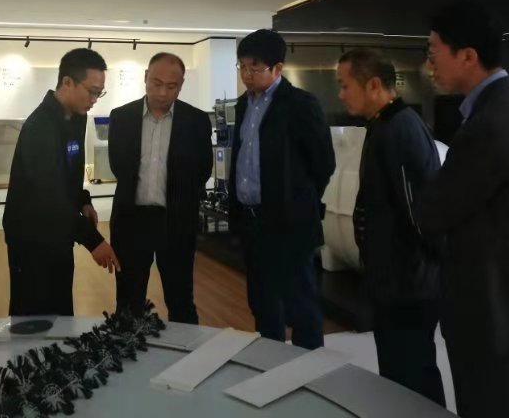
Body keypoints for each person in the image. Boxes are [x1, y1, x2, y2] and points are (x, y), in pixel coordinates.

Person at [417, 1, 509, 418]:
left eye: (434, 52)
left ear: (467, 55)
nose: (429, 64)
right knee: (508, 404)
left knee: (490, 407)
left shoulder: (491, 121)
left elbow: (434, 211)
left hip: (489, 306)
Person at [336, 48, 445, 406]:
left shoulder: (400, 128)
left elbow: (422, 214)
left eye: (345, 85)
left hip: (408, 287)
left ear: (373, 85)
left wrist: (421, 272)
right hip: (391, 283)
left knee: (413, 377)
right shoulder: (383, 124)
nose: (341, 94)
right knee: (399, 377)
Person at [228, 29, 335, 349]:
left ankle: (307, 366)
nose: (247, 74)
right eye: (243, 66)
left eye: (255, 67)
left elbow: (323, 163)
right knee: (262, 302)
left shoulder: (300, 104)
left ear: (278, 68)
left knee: (300, 304)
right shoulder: (243, 105)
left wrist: (298, 200)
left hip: (290, 223)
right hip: (252, 221)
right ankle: (270, 361)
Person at [3, 48, 120, 317]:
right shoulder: (40, 127)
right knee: (32, 316)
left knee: (59, 309)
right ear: (67, 82)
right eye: (91, 91)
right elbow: (49, 195)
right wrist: (93, 241)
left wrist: (83, 200)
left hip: (58, 233)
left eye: (99, 93)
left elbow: (69, 170)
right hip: (31, 236)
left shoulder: (76, 117)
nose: (94, 100)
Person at [108, 53, 213, 323]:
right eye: (156, 83)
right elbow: (118, 166)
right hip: (132, 221)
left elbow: (203, 170)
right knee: (128, 300)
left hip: (176, 222)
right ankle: (128, 347)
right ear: (145, 78)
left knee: (181, 299)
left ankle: (186, 349)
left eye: (172, 86)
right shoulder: (121, 117)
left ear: (181, 85)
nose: (163, 93)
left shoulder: (196, 120)